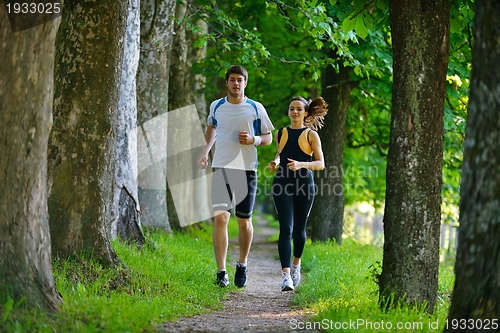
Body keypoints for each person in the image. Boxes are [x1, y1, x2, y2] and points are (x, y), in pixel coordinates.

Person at [198, 65, 274, 288]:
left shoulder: (255, 108)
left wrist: (254, 140)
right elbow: (212, 128)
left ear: (245, 83)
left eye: (240, 80)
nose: (236, 83)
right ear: (227, 82)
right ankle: (221, 271)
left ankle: (242, 263)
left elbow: (268, 137)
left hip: (246, 169)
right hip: (221, 166)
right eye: (232, 79)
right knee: (221, 218)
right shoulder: (217, 106)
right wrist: (205, 153)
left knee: (243, 221)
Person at [268, 96, 328, 291]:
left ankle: (296, 265)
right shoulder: (280, 133)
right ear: (288, 111)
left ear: (305, 113)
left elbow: (320, 164)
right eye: (292, 108)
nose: (295, 112)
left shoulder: (311, 135)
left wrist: (301, 164)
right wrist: (275, 162)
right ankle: (286, 276)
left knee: (299, 229)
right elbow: (280, 153)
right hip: (282, 183)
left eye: (299, 109)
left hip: (304, 184)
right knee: (286, 228)